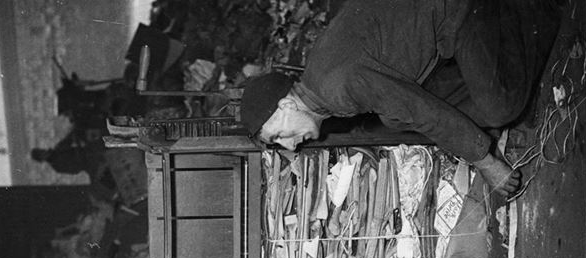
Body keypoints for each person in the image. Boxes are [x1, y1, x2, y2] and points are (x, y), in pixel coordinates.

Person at [240, 0, 562, 194]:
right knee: (392, 117)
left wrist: (485, 162)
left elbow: (421, 111)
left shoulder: (337, 88)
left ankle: (535, 10)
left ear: (286, 104)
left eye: (278, 135)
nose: (289, 145)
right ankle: (506, 65)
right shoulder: (319, 81)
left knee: (500, 107)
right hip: (435, 28)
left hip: (458, 9)